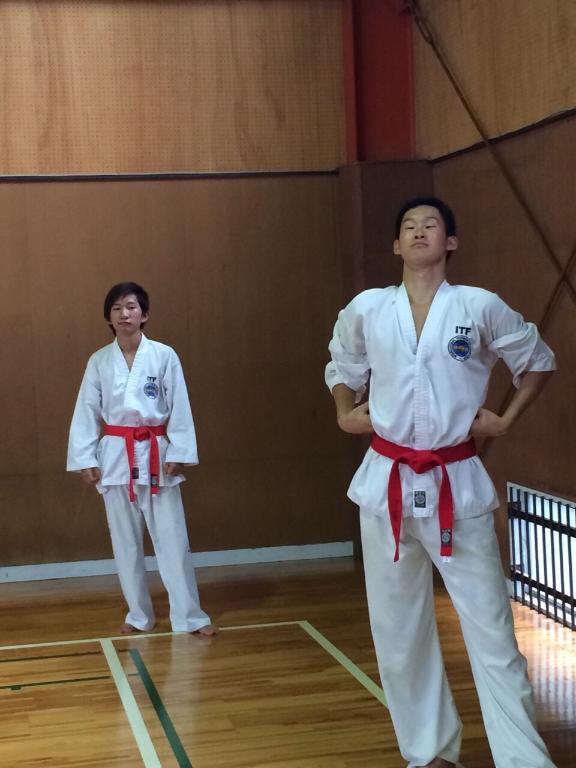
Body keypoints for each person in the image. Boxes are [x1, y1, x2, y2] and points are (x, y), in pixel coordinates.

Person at [325, 197, 557, 768]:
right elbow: (341, 364)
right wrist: (344, 411)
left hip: (458, 482)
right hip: (386, 485)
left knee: (492, 633)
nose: (419, 232)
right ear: (396, 245)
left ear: (450, 241)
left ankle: (523, 760)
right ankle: (429, 751)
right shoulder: (368, 309)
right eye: (408, 226)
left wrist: (506, 418)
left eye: (431, 225)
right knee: (399, 631)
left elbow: (536, 358)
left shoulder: (478, 305)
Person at [67, 282, 216, 636]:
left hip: (156, 454)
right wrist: (85, 456)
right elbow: (86, 410)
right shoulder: (99, 361)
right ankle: (138, 615)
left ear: (144, 314)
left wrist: (179, 450)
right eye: (117, 308)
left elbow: (179, 403)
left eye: (131, 307)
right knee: (125, 543)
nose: (124, 314)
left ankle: (190, 617)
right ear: (108, 317)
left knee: (173, 539)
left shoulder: (163, 355)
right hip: (116, 455)